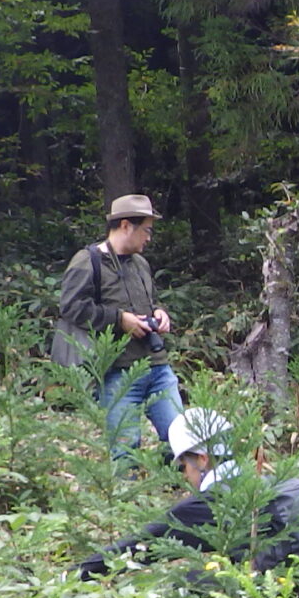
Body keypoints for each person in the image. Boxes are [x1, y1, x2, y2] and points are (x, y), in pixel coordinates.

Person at [76, 408, 299, 596]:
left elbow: (143, 544)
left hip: (274, 595)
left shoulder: (208, 503)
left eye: (184, 467)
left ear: (202, 459)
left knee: (186, 581)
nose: (186, 476)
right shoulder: (270, 483)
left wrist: (79, 572)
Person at [57, 195, 180, 465]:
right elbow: (70, 307)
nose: (149, 237)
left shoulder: (140, 264)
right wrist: (118, 319)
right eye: (147, 229)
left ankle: (179, 499)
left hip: (157, 367)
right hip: (117, 372)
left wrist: (158, 313)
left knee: (181, 441)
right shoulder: (87, 261)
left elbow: (147, 302)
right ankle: (128, 503)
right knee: (125, 453)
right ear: (126, 225)